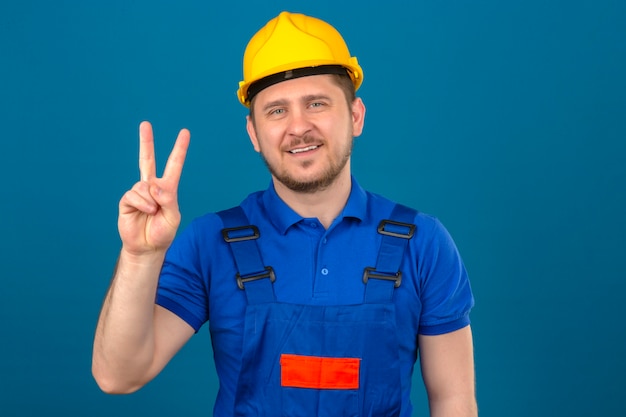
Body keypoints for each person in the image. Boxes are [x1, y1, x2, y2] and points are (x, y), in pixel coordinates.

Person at [92, 11, 477, 417]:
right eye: (276, 111)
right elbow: (118, 375)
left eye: (316, 103)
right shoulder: (211, 242)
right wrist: (140, 256)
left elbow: (454, 401)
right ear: (254, 134)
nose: (298, 127)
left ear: (356, 115)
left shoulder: (422, 243)